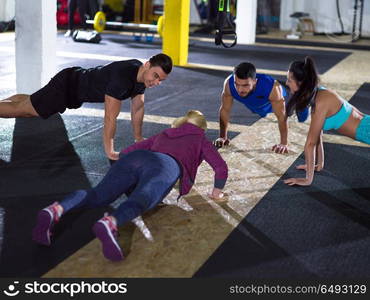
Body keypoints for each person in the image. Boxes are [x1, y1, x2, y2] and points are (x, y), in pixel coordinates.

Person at [32, 110, 228, 261]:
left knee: (98, 194)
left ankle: (56, 209)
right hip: (164, 166)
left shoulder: (165, 133)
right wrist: (216, 192)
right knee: (141, 200)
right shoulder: (202, 140)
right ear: (201, 128)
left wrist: (127, 175)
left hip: (137, 158)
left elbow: (127, 151)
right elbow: (221, 168)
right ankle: (111, 223)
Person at [0, 53, 172, 161]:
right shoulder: (122, 79)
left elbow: (138, 108)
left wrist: (138, 137)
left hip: (73, 82)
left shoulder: (141, 76)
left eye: (160, 80)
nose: (156, 82)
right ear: (147, 64)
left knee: (30, 102)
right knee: (27, 111)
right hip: (67, 87)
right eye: (155, 76)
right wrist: (110, 152)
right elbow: (110, 117)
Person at [283, 56, 369, 186]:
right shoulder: (319, 93)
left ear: (301, 83)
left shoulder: (320, 102)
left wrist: (307, 179)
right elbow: (318, 135)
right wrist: (319, 165)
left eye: (290, 80)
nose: (287, 83)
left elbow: (310, 143)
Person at [214, 62, 309, 153]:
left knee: (301, 114)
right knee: (261, 111)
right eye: (237, 84)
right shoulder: (229, 84)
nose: (240, 89)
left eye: (245, 85)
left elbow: (281, 116)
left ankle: (305, 97)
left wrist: (283, 143)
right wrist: (223, 137)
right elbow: (225, 110)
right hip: (260, 107)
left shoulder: (272, 88)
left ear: (255, 81)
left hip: (285, 99)